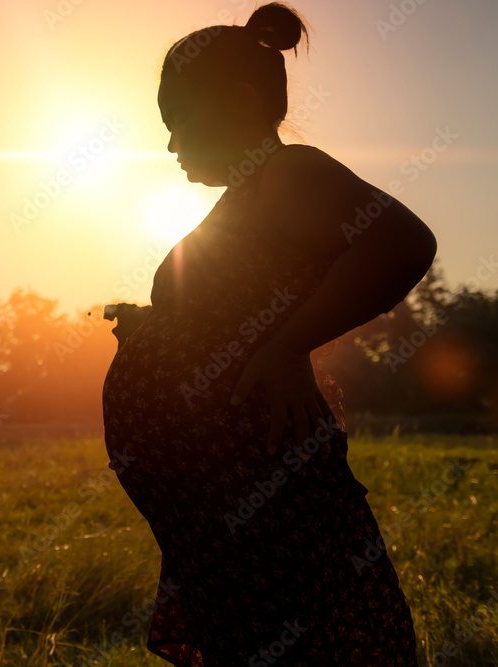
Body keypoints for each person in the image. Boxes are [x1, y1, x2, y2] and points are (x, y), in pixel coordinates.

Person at [101, 3, 437, 665]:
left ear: (241, 100)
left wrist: (288, 345)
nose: (170, 145)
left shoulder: (290, 173)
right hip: (228, 505)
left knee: (298, 638)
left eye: (180, 121)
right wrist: (150, 328)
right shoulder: (243, 201)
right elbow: (231, 311)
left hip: (267, 489)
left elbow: (401, 242)